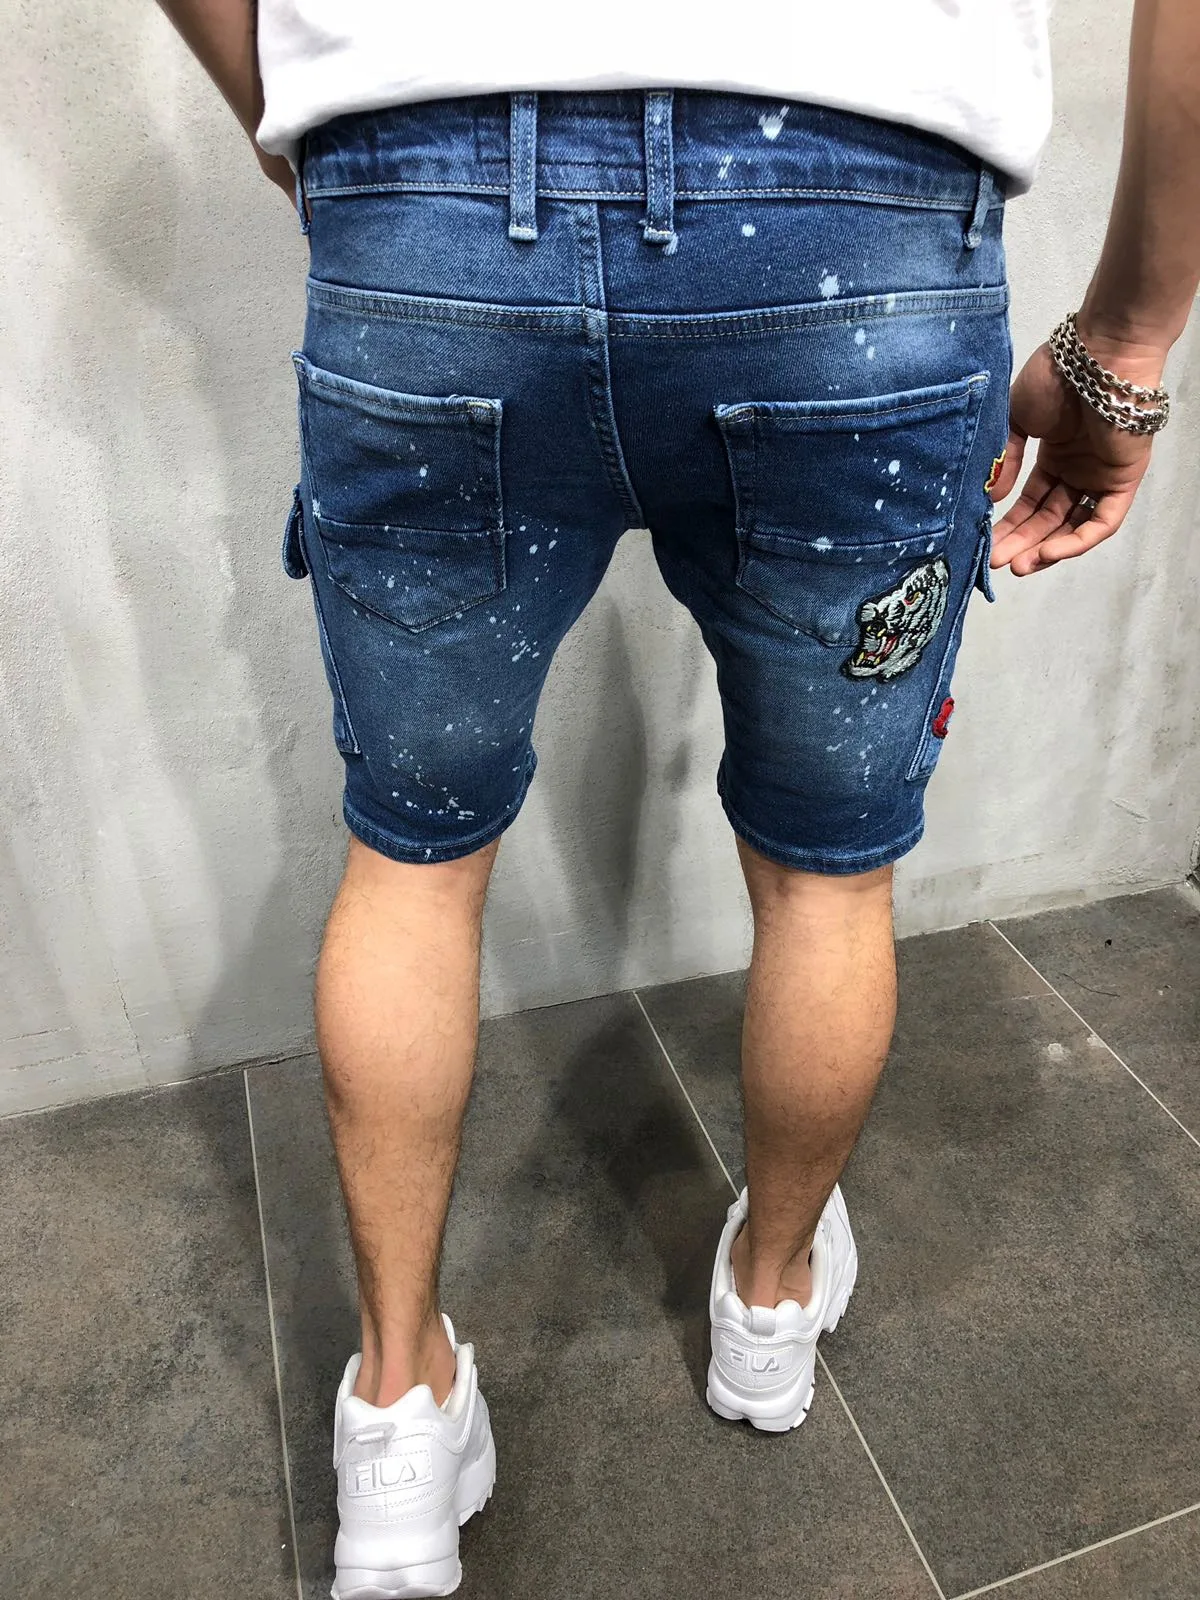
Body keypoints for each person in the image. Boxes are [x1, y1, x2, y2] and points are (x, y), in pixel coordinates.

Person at [155, 3, 1200, 1596]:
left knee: (412, 864)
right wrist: (1123, 347)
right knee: (828, 872)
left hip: (427, 209)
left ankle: (396, 1426)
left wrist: (314, 119)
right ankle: (768, 1309)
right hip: (866, 219)